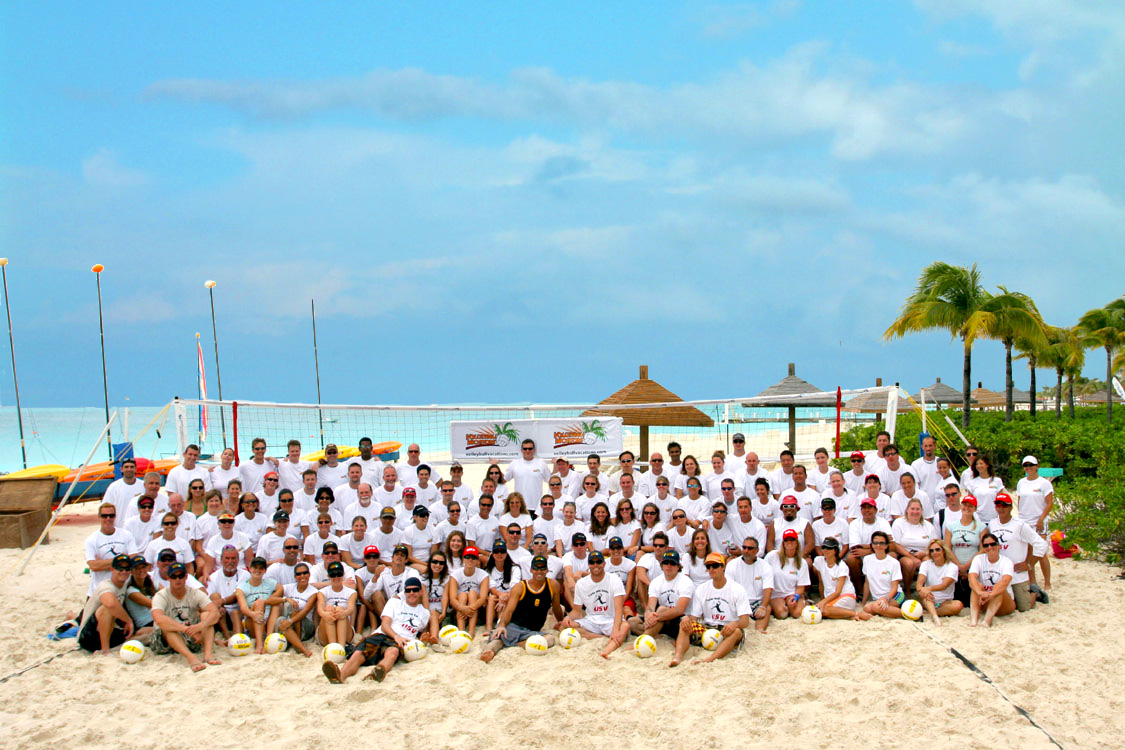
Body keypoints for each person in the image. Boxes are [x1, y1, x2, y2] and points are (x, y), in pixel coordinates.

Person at [324, 575, 430, 684]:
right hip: (382, 634)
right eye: (408, 590)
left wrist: (424, 639)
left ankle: (376, 674)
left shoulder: (425, 613)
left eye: (415, 590)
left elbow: (420, 633)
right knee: (358, 654)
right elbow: (385, 625)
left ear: (421, 592)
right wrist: (396, 636)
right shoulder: (394, 603)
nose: (411, 593)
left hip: (401, 642)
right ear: (404, 592)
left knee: (392, 652)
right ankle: (340, 676)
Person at [480, 555, 566, 663]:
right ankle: (489, 651)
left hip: (532, 631)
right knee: (498, 639)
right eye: (536, 568)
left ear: (547, 570)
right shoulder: (520, 587)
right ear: (531, 570)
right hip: (514, 625)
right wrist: (502, 625)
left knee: (550, 639)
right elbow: (509, 611)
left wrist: (561, 622)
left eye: (542, 568)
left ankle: (515, 644)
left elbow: (556, 607)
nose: (539, 571)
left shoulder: (553, 585)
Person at [672, 552, 750, 667]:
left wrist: (735, 624)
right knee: (685, 625)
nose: (711, 569)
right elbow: (694, 617)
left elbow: (745, 621)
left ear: (723, 567)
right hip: (707, 628)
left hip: (726, 629)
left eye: (715, 565)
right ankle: (678, 656)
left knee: (737, 632)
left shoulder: (737, 589)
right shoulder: (702, 589)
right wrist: (686, 619)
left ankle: (711, 658)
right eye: (708, 566)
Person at [150, 562, 222, 671]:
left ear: (186, 577)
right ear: (168, 578)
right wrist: (185, 629)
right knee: (167, 626)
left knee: (207, 615)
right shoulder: (161, 595)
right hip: (165, 641)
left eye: (180, 576)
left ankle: (208, 655)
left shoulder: (194, 593)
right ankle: (191, 658)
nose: (177, 579)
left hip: (191, 636)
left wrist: (201, 625)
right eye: (174, 576)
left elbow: (215, 612)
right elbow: (158, 619)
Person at [560, 550, 629, 659]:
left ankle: (606, 651)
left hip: (610, 619)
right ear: (588, 565)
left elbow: (619, 610)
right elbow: (577, 611)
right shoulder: (581, 584)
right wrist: (568, 617)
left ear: (604, 564)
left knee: (625, 626)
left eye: (598, 562)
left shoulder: (614, 579)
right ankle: (603, 637)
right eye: (592, 562)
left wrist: (615, 630)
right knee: (564, 628)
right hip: (591, 621)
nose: (595, 565)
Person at [988, 493, 1047, 612]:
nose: (1001, 508)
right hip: (999, 573)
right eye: (998, 505)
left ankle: (1035, 593)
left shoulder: (1020, 525)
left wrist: (1029, 564)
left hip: (1017, 574)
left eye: (1004, 505)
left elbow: (1041, 544)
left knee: (1024, 607)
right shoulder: (992, 524)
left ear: (1011, 507)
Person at [629, 549, 694, 640]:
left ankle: (644, 639)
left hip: (680, 619)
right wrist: (648, 615)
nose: (669, 566)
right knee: (632, 622)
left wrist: (657, 617)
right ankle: (658, 636)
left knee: (661, 609)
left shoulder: (686, 582)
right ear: (662, 565)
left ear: (678, 566)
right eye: (666, 563)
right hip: (661, 620)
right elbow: (650, 606)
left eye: (672, 563)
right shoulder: (656, 582)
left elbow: (680, 609)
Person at [78, 554, 136, 654]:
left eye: (127, 569)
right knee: (107, 609)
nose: (124, 572)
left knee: (145, 633)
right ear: (112, 569)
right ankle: (105, 650)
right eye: (120, 568)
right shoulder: (106, 586)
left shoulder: (124, 584)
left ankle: (113, 649)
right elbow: (110, 604)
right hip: (88, 635)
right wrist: (128, 620)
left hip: (110, 630)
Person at [1017, 455, 1054, 591]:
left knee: (1041, 552)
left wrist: (1041, 519)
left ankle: (1047, 582)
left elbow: (1050, 503)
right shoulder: (1021, 482)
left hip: (1039, 521)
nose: (1028, 468)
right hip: (1024, 521)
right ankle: (1032, 581)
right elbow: (1020, 501)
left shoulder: (1044, 483)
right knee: (1028, 552)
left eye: (1031, 465)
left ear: (1037, 466)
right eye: (1026, 465)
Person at [85, 502, 135, 597]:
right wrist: (123, 560)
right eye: (104, 516)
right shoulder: (92, 540)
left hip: (122, 589)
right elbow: (93, 566)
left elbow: (133, 559)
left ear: (115, 516)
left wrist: (102, 563)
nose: (108, 519)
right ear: (99, 517)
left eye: (111, 516)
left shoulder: (126, 535)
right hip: (98, 590)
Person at [723, 538, 772, 633]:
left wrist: (763, 606)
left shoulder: (765, 566)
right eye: (744, 547)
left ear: (757, 550)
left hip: (756, 602)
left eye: (750, 548)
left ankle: (759, 630)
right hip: (738, 601)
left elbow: (768, 589)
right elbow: (728, 588)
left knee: (767, 607)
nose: (746, 551)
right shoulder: (732, 565)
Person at [889, 498, 938, 593]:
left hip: (924, 553)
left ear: (922, 511)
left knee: (928, 562)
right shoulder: (899, 523)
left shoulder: (928, 526)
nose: (915, 512)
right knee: (909, 563)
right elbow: (896, 545)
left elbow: (934, 544)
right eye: (912, 509)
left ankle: (924, 591)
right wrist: (911, 556)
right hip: (904, 553)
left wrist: (924, 553)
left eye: (917, 509)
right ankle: (907, 591)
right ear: (907, 510)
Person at [968, 532, 1016, 627]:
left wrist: (991, 594)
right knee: (977, 586)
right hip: (984, 600)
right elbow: (972, 577)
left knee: (999, 588)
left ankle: (987, 621)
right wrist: (979, 592)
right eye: (986, 545)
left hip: (1004, 603)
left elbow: (1005, 581)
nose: (989, 547)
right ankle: (974, 620)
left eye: (992, 544)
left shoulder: (1006, 562)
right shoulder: (978, 559)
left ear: (998, 545)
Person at [236, 557, 283, 653]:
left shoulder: (269, 583)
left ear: (265, 571)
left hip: (268, 621)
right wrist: (253, 614)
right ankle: (259, 644)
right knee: (260, 602)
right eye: (255, 567)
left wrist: (270, 600)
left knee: (276, 605)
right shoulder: (241, 587)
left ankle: (268, 640)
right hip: (252, 621)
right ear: (250, 569)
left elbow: (281, 589)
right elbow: (243, 608)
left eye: (261, 568)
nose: (257, 570)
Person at [943, 493, 982, 605]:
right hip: (955, 567)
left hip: (973, 567)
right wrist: (959, 566)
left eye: (971, 506)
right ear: (961, 506)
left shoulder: (981, 527)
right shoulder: (951, 526)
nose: (967, 508)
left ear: (975, 508)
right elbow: (947, 548)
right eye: (965, 505)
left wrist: (966, 566)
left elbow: (982, 550)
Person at [855, 532, 903, 620]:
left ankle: (909, 614)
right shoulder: (867, 559)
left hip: (894, 595)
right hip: (877, 598)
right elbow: (867, 583)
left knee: (876, 607)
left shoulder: (894, 563)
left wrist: (886, 598)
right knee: (867, 608)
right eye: (875, 543)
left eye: (882, 543)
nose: (878, 545)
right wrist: (863, 602)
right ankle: (889, 612)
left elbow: (894, 587)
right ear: (872, 545)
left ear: (886, 546)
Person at [207, 546, 249, 642]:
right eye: (227, 558)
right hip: (221, 615)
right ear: (221, 560)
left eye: (233, 558)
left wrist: (223, 601)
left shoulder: (245, 575)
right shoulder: (213, 577)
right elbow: (210, 600)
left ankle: (237, 638)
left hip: (239, 613)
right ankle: (226, 636)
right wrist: (219, 604)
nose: (230, 561)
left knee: (235, 612)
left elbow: (237, 595)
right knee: (215, 596)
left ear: (238, 560)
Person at [765, 529, 809, 619]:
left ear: (796, 543)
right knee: (782, 614)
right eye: (786, 540)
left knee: (797, 614)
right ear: (783, 543)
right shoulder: (772, 556)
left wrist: (795, 597)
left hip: (792, 593)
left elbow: (801, 587)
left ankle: (803, 601)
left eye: (792, 539)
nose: (789, 542)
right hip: (776, 594)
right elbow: (763, 573)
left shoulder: (802, 562)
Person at [917, 539, 964, 624]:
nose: (934, 552)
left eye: (937, 549)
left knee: (958, 605)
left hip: (945, 602)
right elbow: (919, 584)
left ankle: (932, 613)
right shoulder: (925, 564)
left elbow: (944, 586)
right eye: (931, 551)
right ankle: (935, 617)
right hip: (929, 598)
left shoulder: (952, 567)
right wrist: (922, 591)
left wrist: (928, 588)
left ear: (943, 550)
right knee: (927, 597)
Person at [448, 545, 489, 638]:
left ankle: (471, 630)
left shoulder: (483, 575)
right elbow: (452, 599)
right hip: (460, 607)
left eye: (473, 557)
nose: (470, 560)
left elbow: (483, 598)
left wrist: (469, 609)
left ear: (477, 560)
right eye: (467, 557)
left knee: (472, 593)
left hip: (476, 607)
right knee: (462, 595)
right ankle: (461, 630)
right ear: (463, 559)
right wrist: (463, 609)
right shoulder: (455, 574)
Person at [278, 562, 318, 657]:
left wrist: (290, 621)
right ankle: (297, 644)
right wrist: (286, 598)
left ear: (309, 574)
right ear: (295, 576)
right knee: (280, 621)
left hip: (306, 624)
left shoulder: (314, 592)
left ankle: (301, 648)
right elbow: (270, 599)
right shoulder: (288, 587)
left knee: (295, 610)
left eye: (305, 573)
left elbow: (305, 611)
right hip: (289, 622)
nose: (302, 576)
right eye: (299, 574)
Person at [812, 538, 858, 620]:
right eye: (823, 547)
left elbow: (838, 592)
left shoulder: (842, 566)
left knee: (822, 611)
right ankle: (849, 616)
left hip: (845, 596)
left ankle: (855, 614)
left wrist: (823, 602)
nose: (825, 550)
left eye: (829, 548)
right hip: (831, 598)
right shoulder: (818, 561)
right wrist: (822, 600)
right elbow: (821, 583)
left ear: (836, 550)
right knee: (820, 610)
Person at [483, 539, 523, 632]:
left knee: (504, 600)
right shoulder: (488, 570)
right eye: (496, 552)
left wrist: (505, 596)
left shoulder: (514, 568)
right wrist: (501, 595)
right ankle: (489, 629)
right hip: (496, 598)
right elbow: (492, 588)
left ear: (506, 553)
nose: (499, 554)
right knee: (492, 598)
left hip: (511, 596)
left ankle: (500, 626)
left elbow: (515, 586)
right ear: (492, 554)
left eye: (502, 551)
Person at [201, 512, 253, 581]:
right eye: (223, 521)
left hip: (241, 573)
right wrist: (206, 575)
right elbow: (208, 565)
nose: (227, 524)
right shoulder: (213, 540)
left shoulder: (243, 537)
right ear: (218, 524)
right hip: (219, 574)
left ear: (234, 523)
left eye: (230, 521)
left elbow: (250, 561)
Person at [317, 560, 358, 645]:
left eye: (339, 574)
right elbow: (320, 608)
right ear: (328, 576)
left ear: (343, 575)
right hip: (326, 629)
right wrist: (326, 614)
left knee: (340, 609)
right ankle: (333, 647)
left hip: (345, 630)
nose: (336, 578)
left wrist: (343, 613)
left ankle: (341, 647)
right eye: (333, 575)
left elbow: (350, 609)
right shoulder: (322, 592)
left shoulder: (351, 592)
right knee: (329, 608)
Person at [505, 439, 550, 514]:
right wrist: (494, 465)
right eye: (525, 449)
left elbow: (551, 481)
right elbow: (504, 479)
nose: (527, 451)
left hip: (537, 507)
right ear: (521, 450)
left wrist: (556, 465)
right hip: (519, 507)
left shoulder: (542, 464)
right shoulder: (514, 464)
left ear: (534, 450)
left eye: (530, 448)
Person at [104, 457, 144, 528]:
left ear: (136, 469)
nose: (129, 469)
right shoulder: (114, 487)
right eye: (126, 467)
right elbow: (105, 508)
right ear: (121, 469)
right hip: (119, 527)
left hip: (139, 528)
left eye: (132, 467)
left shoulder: (143, 486)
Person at [422, 552, 450, 643]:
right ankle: (430, 636)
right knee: (431, 614)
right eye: (434, 562)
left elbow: (445, 596)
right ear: (430, 562)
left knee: (433, 614)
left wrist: (444, 612)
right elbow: (425, 599)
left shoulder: (447, 578)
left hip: (441, 610)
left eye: (441, 563)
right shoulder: (423, 578)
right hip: (427, 609)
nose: (438, 565)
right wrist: (427, 613)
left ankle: (433, 637)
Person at [966, 455, 1004, 524]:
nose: (979, 466)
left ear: (987, 465)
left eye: (981, 463)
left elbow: (1000, 502)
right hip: (978, 520)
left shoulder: (997, 481)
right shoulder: (972, 483)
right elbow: (969, 503)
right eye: (977, 464)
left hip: (994, 519)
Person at [466, 493, 501, 561]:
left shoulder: (495, 521)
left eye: (488, 505)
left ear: (492, 506)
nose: (486, 507)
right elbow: (471, 545)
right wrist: (488, 554)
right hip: (477, 554)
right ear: (479, 505)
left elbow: (497, 540)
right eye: (483, 505)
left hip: (492, 553)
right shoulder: (472, 522)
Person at [402, 506, 437, 572]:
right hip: (413, 562)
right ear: (415, 517)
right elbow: (409, 556)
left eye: (427, 515)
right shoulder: (408, 531)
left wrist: (432, 563)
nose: (425, 517)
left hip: (429, 562)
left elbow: (433, 552)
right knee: (425, 570)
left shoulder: (433, 529)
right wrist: (426, 565)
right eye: (422, 515)